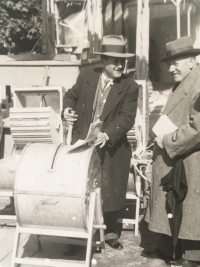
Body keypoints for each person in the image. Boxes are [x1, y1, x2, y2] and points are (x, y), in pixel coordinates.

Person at [62, 35, 139, 254]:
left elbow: (126, 117)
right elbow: (70, 96)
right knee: (81, 187)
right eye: (114, 60)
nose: (120, 65)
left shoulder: (130, 86)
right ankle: (78, 233)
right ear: (103, 60)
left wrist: (107, 134)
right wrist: (66, 110)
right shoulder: (87, 77)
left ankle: (111, 232)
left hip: (112, 145)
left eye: (123, 60)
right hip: (84, 144)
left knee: (109, 186)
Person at [144, 36, 200, 267]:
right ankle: (169, 249)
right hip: (179, 160)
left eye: (177, 61)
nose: (171, 68)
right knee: (176, 205)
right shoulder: (186, 81)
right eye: (169, 63)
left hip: (190, 160)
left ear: (193, 61)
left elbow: (197, 128)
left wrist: (168, 140)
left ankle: (192, 257)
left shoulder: (198, 84)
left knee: (190, 208)